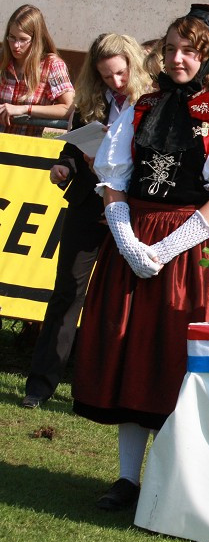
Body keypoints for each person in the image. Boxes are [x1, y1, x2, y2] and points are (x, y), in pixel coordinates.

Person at [71, 5, 209, 511]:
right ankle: (127, 480)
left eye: (189, 52)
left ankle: (173, 476)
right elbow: (112, 182)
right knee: (128, 351)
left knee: (175, 359)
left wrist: (165, 248)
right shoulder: (140, 107)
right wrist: (130, 243)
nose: (177, 59)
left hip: (186, 254)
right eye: (171, 49)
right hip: (131, 242)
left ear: (205, 57)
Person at [21, 33, 151, 409]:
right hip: (87, 207)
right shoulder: (91, 100)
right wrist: (65, 164)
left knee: (120, 304)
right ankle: (40, 387)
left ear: (133, 65)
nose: (115, 82)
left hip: (132, 210)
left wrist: (116, 160)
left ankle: (107, 390)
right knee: (66, 294)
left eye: (121, 74)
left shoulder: (151, 101)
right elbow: (75, 145)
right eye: (106, 76)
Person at [0, 4, 73, 137]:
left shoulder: (52, 65)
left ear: (36, 40)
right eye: (12, 37)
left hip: (26, 149)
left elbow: (69, 108)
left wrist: (25, 109)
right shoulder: (2, 59)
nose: (16, 45)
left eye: (23, 40)